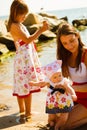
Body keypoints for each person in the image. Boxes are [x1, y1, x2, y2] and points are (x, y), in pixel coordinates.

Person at [7, 0, 49, 123]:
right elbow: (27, 39)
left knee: (25, 84)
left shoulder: (20, 24)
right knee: (24, 85)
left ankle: (24, 111)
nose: (25, 17)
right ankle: (26, 112)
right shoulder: (13, 26)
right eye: (22, 14)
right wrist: (41, 30)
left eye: (26, 14)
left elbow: (19, 43)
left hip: (26, 59)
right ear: (14, 13)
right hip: (22, 61)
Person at [29, 60, 77, 130]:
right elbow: (41, 83)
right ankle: (51, 123)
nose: (58, 78)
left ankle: (57, 127)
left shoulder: (64, 81)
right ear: (50, 78)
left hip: (64, 102)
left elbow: (69, 88)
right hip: (52, 102)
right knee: (51, 116)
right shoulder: (49, 81)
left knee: (64, 117)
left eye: (59, 75)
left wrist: (73, 94)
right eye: (55, 77)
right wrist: (34, 83)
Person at [56, 22, 87, 130]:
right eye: (65, 43)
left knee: (65, 125)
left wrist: (70, 88)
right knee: (56, 118)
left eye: (72, 41)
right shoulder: (66, 57)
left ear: (77, 35)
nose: (69, 46)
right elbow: (62, 80)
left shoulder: (86, 54)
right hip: (76, 97)